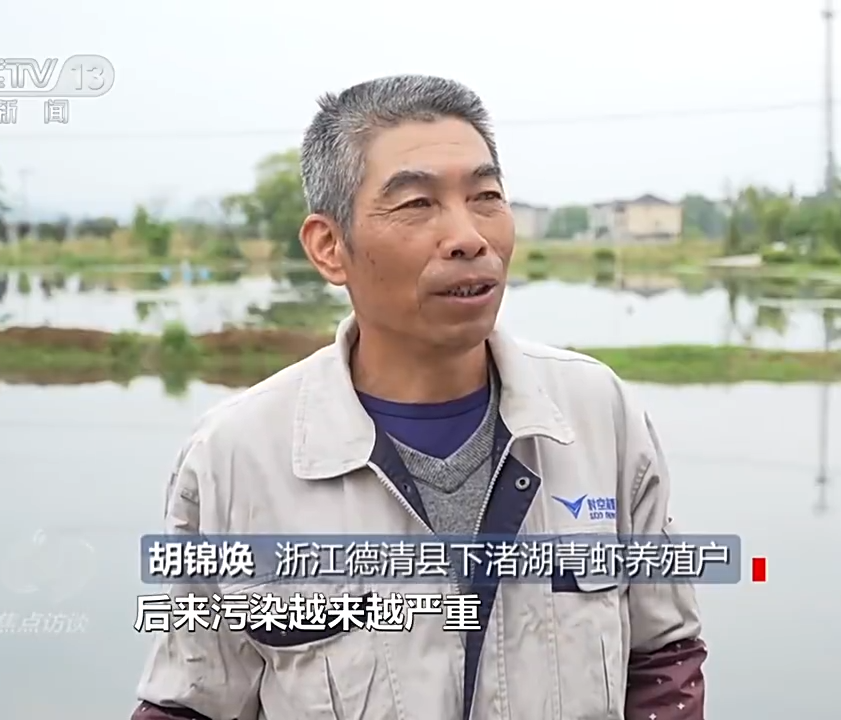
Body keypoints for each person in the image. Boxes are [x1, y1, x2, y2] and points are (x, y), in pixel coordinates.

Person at [131, 74, 707, 720]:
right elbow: (191, 702)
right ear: (329, 247)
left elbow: (664, 659)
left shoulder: (598, 411)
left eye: (486, 197)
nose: (469, 237)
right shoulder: (238, 454)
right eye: (416, 204)